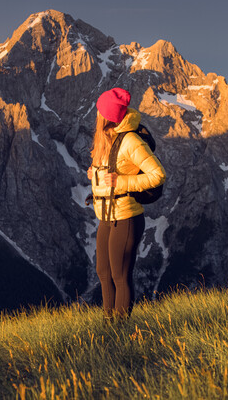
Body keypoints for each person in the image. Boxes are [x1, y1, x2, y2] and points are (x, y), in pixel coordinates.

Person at [87, 87, 166, 319]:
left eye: (100, 111)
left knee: (120, 276)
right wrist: (95, 174)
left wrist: (122, 182)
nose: (97, 115)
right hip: (107, 216)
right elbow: (113, 170)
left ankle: (120, 332)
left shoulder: (131, 140)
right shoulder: (107, 139)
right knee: (103, 272)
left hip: (126, 217)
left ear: (107, 115)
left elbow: (157, 175)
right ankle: (108, 326)